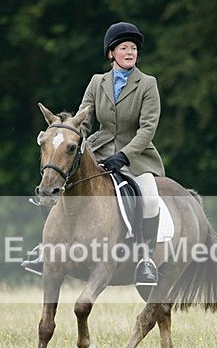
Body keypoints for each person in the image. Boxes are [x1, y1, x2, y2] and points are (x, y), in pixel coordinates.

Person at [24, 21, 164, 287]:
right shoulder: (97, 82)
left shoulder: (148, 84)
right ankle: (46, 248)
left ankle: (145, 258)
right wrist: (68, 136)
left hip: (137, 156)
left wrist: (124, 156)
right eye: (124, 47)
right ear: (111, 53)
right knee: (57, 183)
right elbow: (82, 121)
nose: (130, 52)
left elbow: (147, 129)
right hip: (98, 150)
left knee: (150, 199)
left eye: (133, 48)